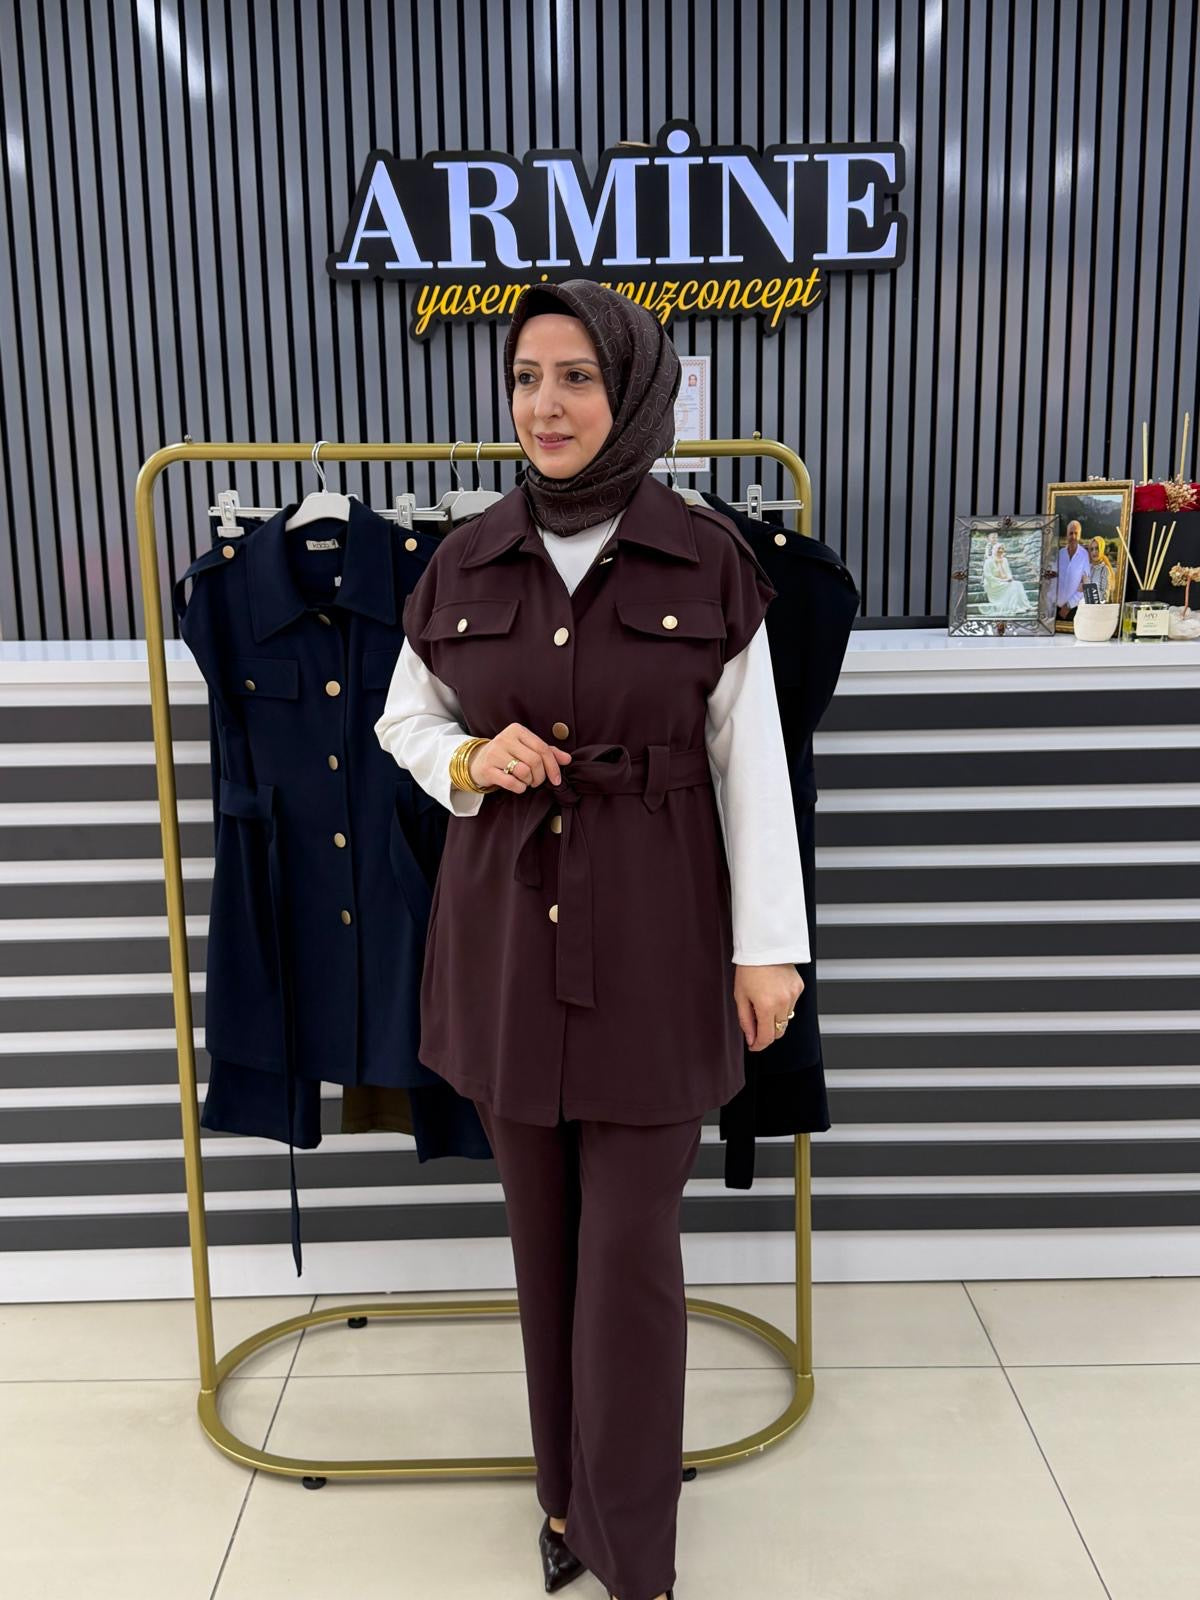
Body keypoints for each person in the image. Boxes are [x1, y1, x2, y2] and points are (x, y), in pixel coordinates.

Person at [374, 279, 808, 1600]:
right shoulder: (464, 558)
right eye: (526, 378)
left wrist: (768, 949)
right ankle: (562, 1502)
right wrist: (467, 758)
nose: (545, 406)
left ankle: (632, 1553)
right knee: (543, 1245)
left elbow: (753, 767)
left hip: (659, 942)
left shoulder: (708, 558)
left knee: (628, 1260)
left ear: (635, 392)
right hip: (504, 939)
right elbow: (404, 718)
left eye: (577, 377)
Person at [981, 541, 1030, 615]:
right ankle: (1014, 608)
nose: (1001, 550)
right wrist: (1002, 580)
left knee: (1018, 584)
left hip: (1004, 580)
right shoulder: (988, 561)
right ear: (994, 550)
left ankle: (1025, 606)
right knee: (1013, 586)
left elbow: (1008, 572)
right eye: (999, 549)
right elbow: (988, 576)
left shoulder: (1004, 560)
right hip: (993, 584)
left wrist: (1009, 578)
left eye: (1002, 549)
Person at [1056, 519, 1091, 617]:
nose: (1073, 536)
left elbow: (1086, 585)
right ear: (1066, 535)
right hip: (1055, 608)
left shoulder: (1084, 555)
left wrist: (1068, 606)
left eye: (1076, 533)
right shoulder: (1060, 554)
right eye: (1071, 533)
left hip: (1072, 610)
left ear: (1080, 535)